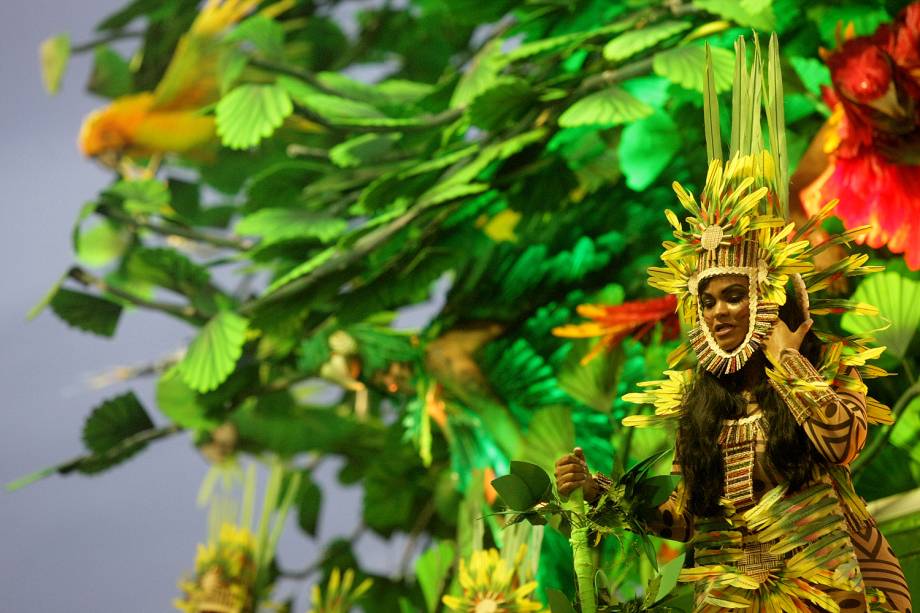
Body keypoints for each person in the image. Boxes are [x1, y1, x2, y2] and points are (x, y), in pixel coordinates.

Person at [556, 36, 912, 612]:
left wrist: (789, 360)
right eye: (708, 301)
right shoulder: (702, 410)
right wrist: (597, 494)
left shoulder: (813, 371)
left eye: (733, 296)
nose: (720, 311)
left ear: (766, 299)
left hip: (828, 589)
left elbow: (844, 441)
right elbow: (685, 519)